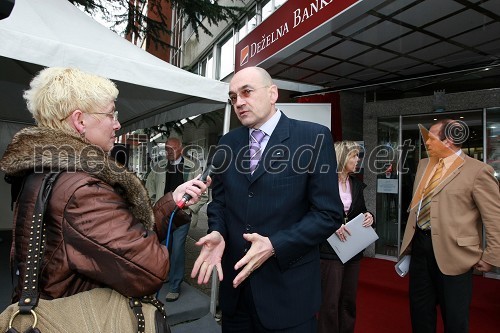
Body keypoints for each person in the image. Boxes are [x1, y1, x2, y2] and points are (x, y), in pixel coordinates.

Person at [0, 67, 208, 308]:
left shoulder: (48, 171)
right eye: (111, 114)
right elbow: (151, 268)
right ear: (80, 121)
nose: (118, 124)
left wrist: (172, 201)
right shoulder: (82, 190)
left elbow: (124, 237)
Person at [191, 66, 344, 332]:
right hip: (236, 295)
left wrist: (275, 244)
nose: (239, 102)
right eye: (233, 97)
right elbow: (220, 203)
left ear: (272, 93)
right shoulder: (228, 143)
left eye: (246, 92)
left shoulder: (313, 137)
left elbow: (328, 214)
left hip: (288, 295)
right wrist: (218, 231)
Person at [400, 119, 500, 333]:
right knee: (420, 312)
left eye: (432, 137)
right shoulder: (423, 165)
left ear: (450, 140)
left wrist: (492, 256)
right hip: (420, 247)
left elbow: (494, 218)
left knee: (454, 318)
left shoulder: (478, 171)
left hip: (456, 253)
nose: (426, 141)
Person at [318, 140, 374, 333]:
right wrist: (331, 226)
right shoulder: (323, 182)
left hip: (352, 249)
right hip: (329, 250)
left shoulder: (356, 184)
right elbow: (312, 213)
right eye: (353, 155)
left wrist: (369, 216)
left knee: (348, 300)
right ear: (342, 157)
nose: (357, 159)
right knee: (330, 302)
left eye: (358, 155)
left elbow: (361, 210)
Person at [145, 137, 208, 302]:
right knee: (163, 248)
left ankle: (175, 286)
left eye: (171, 149)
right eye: (166, 149)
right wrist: (154, 207)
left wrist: (189, 210)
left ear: (181, 149)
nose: (168, 152)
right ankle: (163, 276)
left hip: (182, 216)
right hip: (163, 216)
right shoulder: (158, 167)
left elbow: (204, 194)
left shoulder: (193, 168)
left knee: (178, 250)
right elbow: (149, 188)